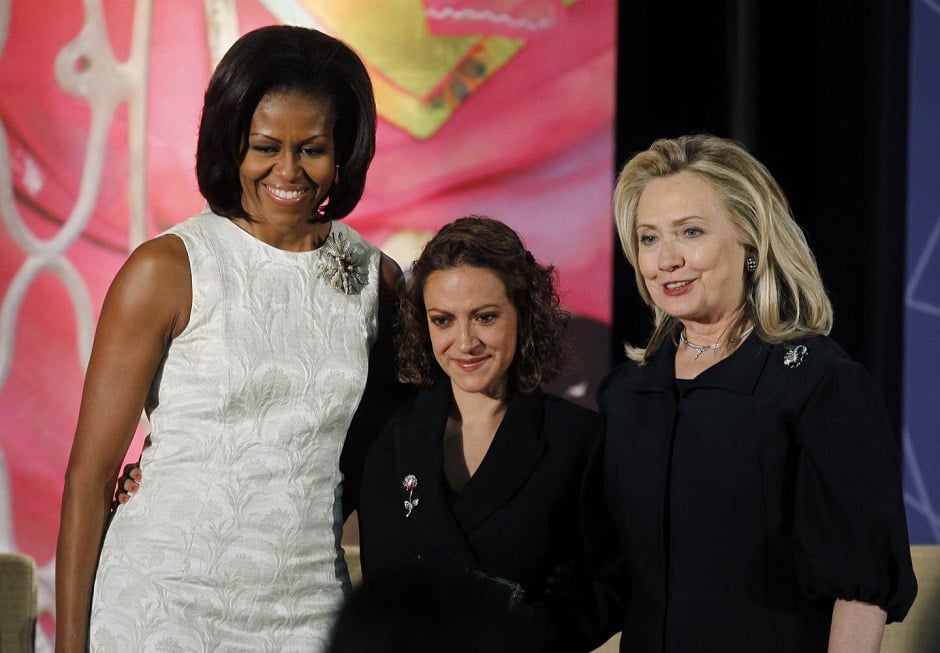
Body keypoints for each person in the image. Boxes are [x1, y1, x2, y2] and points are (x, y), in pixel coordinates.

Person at [55, 25, 400, 652]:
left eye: (313, 149)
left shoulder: (377, 280)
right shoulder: (166, 269)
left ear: (345, 150)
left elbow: (385, 458)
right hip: (161, 603)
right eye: (265, 146)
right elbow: (89, 477)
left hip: (307, 608)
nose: (288, 172)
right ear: (230, 143)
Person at [596, 133, 917, 652]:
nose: (666, 260)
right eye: (649, 238)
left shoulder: (818, 382)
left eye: (691, 232)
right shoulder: (625, 395)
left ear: (750, 236)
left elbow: (860, 587)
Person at [355, 216, 617, 652]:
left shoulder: (578, 440)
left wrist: (533, 631)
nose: (464, 342)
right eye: (443, 320)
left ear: (523, 314)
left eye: (485, 317)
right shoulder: (389, 437)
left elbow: (609, 589)